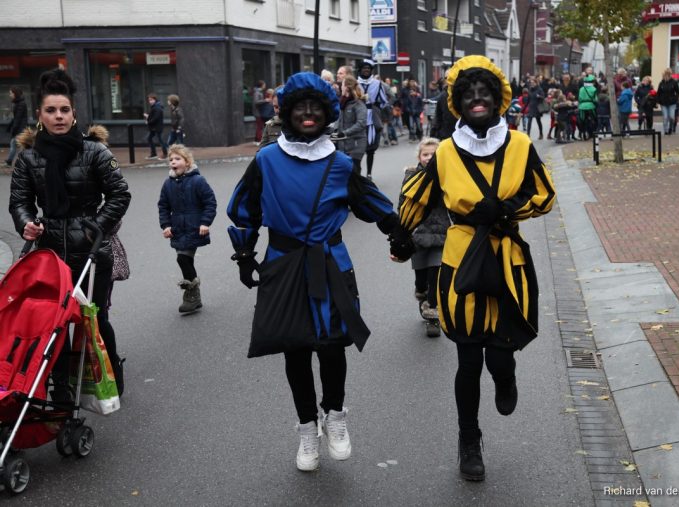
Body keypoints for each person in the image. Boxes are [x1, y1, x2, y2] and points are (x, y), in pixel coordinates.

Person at [226, 72, 406, 473]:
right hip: (284, 263)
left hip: (329, 263)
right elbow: (245, 210)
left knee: (332, 345)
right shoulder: (266, 160)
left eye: (315, 107)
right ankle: (308, 426)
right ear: (287, 113)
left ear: (327, 113)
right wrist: (243, 253)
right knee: (295, 347)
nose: (307, 114)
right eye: (300, 107)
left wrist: (398, 232)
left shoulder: (340, 163)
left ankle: (335, 415)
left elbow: (369, 203)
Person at [394, 55, 555, 481]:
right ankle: (469, 442)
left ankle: (506, 377)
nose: (477, 98)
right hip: (461, 259)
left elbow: (545, 194)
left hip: (506, 260)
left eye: (484, 91)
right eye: (468, 93)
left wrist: (508, 210)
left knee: (499, 359)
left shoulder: (520, 145)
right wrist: (399, 235)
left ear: (498, 98)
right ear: (458, 103)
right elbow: (418, 196)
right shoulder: (445, 152)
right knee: (467, 362)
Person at [9, 68, 131, 396]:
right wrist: (26, 223)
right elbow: (19, 201)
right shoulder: (28, 157)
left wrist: (98, 225)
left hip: (91, 249)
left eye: (64, 110)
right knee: (54, 321)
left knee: (95, 318)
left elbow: (120, 193)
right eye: (51, 110)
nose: (58, 116)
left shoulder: (94, 151)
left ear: (73, 113)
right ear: (40, 115)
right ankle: (61, 385)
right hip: (47, 253)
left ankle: (111, 376)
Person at [158, 144, 217, 313]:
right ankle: (194, 296)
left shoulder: (198, 181)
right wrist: (166, 225)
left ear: (188, 162)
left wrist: (205, 222)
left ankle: (192, 294)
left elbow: (210, 203)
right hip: (177, 228)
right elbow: (163, 206)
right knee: (186, 259)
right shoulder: (168, 184)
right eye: (171, 160)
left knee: (182, 259)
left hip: (194, 227)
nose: (173, 162)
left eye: (177, 159)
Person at [398, 137, 446, 338]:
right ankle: (422, 295)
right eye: (425, 154)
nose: (429, 158)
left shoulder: (449, 176)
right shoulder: (412, 177)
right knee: (422, 280)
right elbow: (403, 205)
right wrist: (401, 234)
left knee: (436, 275)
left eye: (434, 154)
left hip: (442, 233)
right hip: (418, 235)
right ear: (419, 157)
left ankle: (433, 315)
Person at [356, 59, 388, 179]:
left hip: (372, 119)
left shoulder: (377, 83)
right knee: (358, 149)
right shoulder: (355, 83)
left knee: (371, 149)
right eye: (364, 68)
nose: (366, 70)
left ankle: (369, 173)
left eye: (368, 69)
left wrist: (375, 107)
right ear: (359, 70)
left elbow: (384, 101)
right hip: (358, 117)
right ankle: (357, 173)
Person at [336, 75, 368, 174]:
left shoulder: (358, 104)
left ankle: (358, 188)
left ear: (347, 87)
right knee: (345, 172)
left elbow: (361, 123)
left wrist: (345, 133)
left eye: (342, 85)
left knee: (354, 171)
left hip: (357, 144)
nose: (341, 87)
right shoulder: (342, 103)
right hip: (344, 144)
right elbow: (339, 122)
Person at [5, 87, 28, 166]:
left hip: (20, 128)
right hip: (19, 128)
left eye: (11, 93)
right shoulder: (17, 103)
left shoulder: (21, 104)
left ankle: (15, 162)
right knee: (16, 145)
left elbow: (18, 119)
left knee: (17, 145)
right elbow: (14, 118)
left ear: (15, 94)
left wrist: (14, 130)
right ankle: (11, 161)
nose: (10, 95)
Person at [144, 93, 168, 159]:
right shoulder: (156, 107)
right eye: (149, 100)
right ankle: (154, 153)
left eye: (151, 100)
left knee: (159, 140)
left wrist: (148, 121)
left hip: (156, 127)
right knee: (150, 139)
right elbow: (154, 117)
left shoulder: (157, 107)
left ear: (155, 99)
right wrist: (148, 117)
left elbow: (155, 118)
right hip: (155, 127)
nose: (150, 102)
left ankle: (164, 154)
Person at [657, 68, 679, 135]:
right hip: (663, 103)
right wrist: (659, 100)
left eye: (667, 75)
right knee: (665, 117)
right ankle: (666, 130)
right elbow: (658, 93)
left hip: (672, 103)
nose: (665, 77)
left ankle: (671, 127)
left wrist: (675, 99)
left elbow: (678, 92)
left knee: (671, 117)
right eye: (664, 76)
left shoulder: (674, 82)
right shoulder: (661, 83)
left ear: (669, 75)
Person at [577, 75, 598, 140]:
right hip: (591, 106)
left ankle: (582, 132)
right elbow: (595, 99)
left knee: (582, 120)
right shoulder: (594, 89)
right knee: (594, 119)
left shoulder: (581, 89)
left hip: (582, 106)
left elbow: (579, 98)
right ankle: (592, 133)